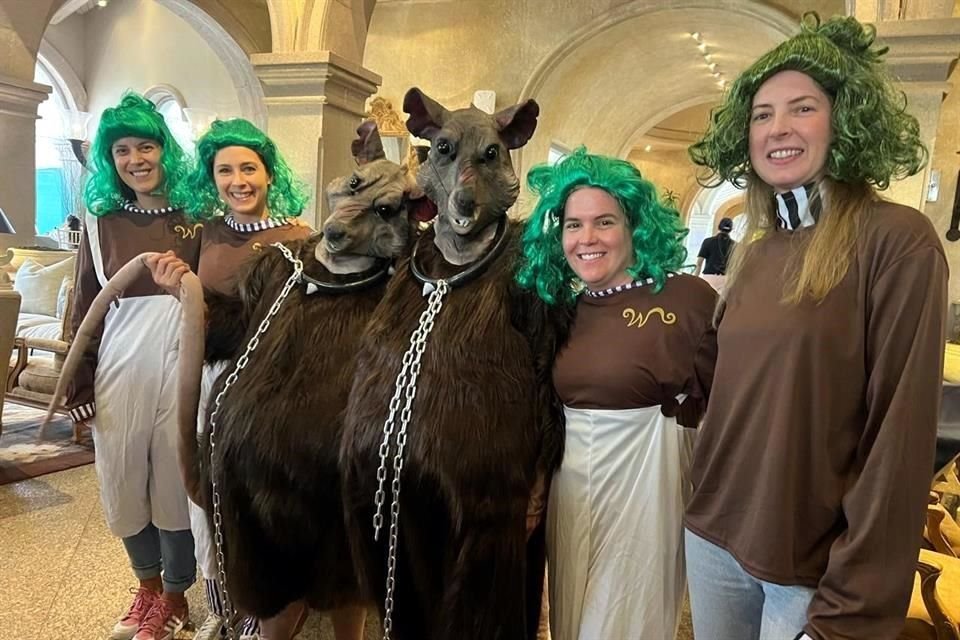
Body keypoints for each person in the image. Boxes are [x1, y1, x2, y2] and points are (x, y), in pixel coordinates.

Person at [685, 13, 947, 640]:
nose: (778, 128)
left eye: (802, 108)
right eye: (762, 114)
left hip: (812, 570)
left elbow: (899, 440)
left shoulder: (898, 242)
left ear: (845, 121)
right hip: (715, 537)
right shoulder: (756, 244)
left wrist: (851, 605)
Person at [516, 148, 717, 639]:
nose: (586, 238)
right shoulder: (557, 308)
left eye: (604, 222)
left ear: (634, 225)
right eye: (572, 225)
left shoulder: (689, 298)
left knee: (626, 616)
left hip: (650, 481)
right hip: (572, 484)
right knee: (572, 612)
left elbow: (728, 401)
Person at [152, 118, 317, 640]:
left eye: (249, 167)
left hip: (276, 391)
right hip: (212, 384)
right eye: (225, 170)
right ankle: (226, 602)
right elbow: (194, 314)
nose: (238, 180)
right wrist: (173, 289)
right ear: (213, 177)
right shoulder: (203, 234)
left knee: (267, 499)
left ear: (269, 174)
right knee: (211, 496)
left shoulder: (301, 236)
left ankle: (274, 601)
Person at [66, 92, 200, 640]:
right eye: (122, 149)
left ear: (166, 150)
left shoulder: (198, 217)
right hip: (121, 363)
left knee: (175, 479)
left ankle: (175, 597)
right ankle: (145, 589)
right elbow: (82, 302)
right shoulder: (102, 223)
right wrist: (78, 379)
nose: (136, 159)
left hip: (183, 358)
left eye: (146, 145)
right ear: (110, 159)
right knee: (122, 478)